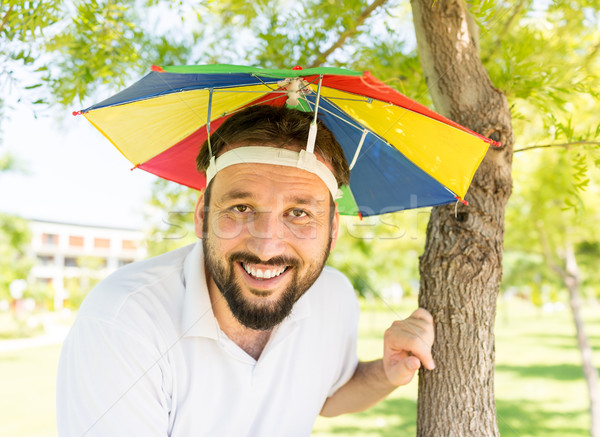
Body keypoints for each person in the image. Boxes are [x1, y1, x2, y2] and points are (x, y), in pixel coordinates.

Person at [56, 105, 435, 436]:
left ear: (333, 229)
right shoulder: (123, 321)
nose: (267, 246)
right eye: (241, 208)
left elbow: (328, 396)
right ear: (203, 214)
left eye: (299, 213)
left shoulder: (333, 296)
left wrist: (387, 372)